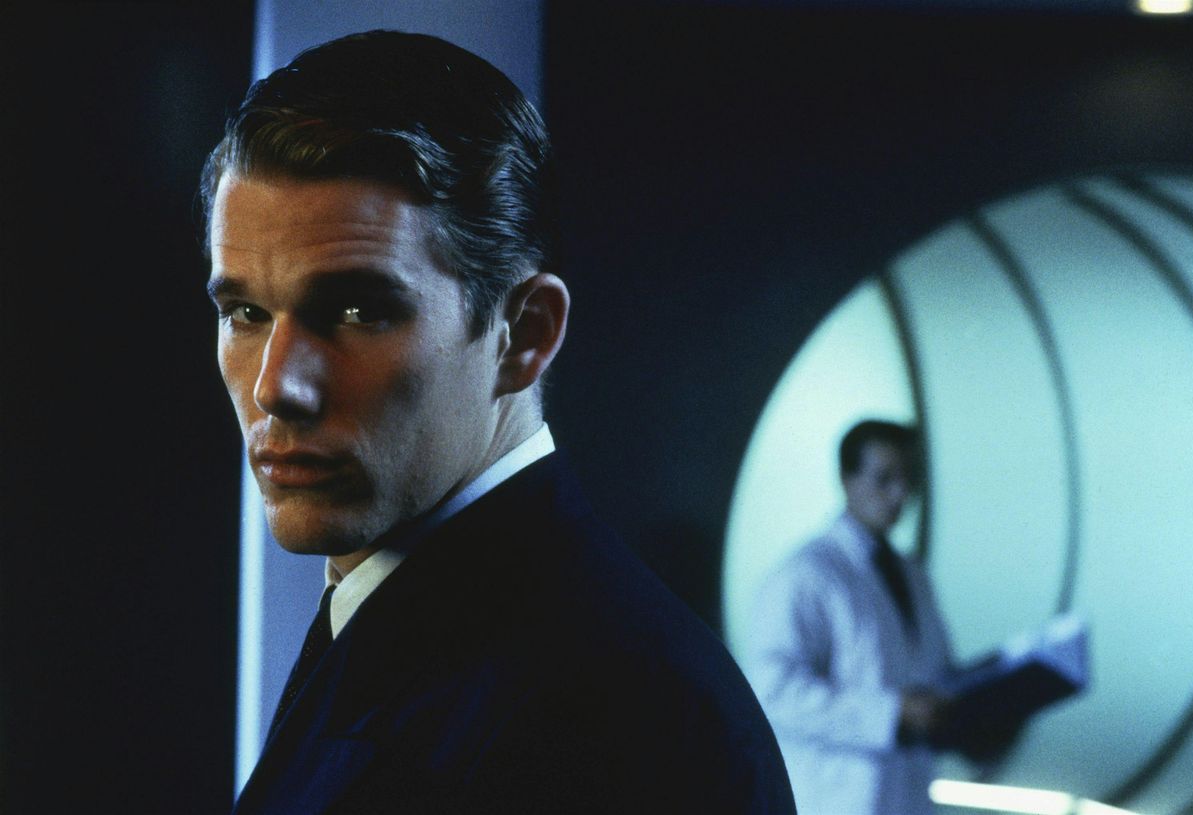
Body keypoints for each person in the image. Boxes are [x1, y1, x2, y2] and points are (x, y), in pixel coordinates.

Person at [202, 30, 795, 815]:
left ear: (525, 335)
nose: (277, 385)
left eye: (355, 310)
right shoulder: (397, 619)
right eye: (245, 312)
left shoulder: (628, 723)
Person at [743, 420, 955, 815]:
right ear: (847, 479)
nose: (900, 494)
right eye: (884, 479)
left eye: (907, 479)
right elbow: (774, 692)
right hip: (838, 797)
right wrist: (890, 712)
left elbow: (937, 669)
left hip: (907, 796)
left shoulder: (913, 576)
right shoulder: (805, 574)